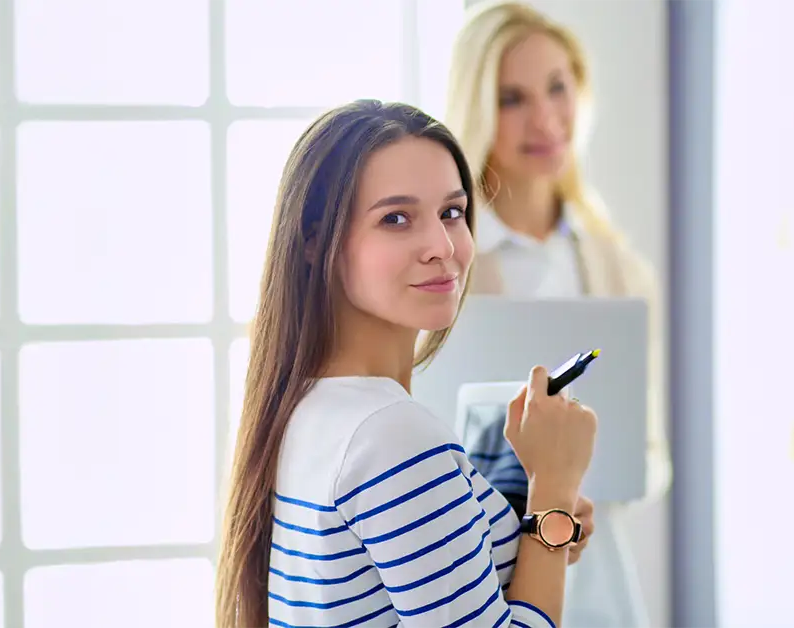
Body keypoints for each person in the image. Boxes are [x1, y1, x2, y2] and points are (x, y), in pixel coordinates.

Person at [214, 99, 602, 628]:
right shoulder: (393, 436)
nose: (441, 246)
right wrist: (554, 486)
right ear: (314, 243)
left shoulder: (304, 409)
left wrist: (534, 528)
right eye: (395, 219)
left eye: (452, 213)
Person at [444, 2, 672, 626]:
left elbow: (649, 456)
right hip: (475, 573)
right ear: (477, 108)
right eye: (511, 98)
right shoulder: (446, 265)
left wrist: (582, 482)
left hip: (597, 578)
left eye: (557, 88)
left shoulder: (621, 269)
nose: (545, 118)